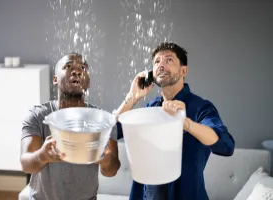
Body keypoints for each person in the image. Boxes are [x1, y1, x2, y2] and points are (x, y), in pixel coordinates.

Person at [114, 42, 235, 200]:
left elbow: (226, 146)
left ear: (183, 70)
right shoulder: (150, 109)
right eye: (157, 62)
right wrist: (132, 97)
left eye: (169, 60)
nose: (161, 65)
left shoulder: (200, 107)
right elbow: (112, 132)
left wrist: (185, 122)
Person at [20, 53, 121, 200]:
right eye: (68, 67)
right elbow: (26, 164)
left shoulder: (103, 120)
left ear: (88, 82)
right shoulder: (38, 115)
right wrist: (43, 155)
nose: (77, 71)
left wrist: (104, 159)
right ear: (55, 79)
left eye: (82, 68)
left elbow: (111, 171)